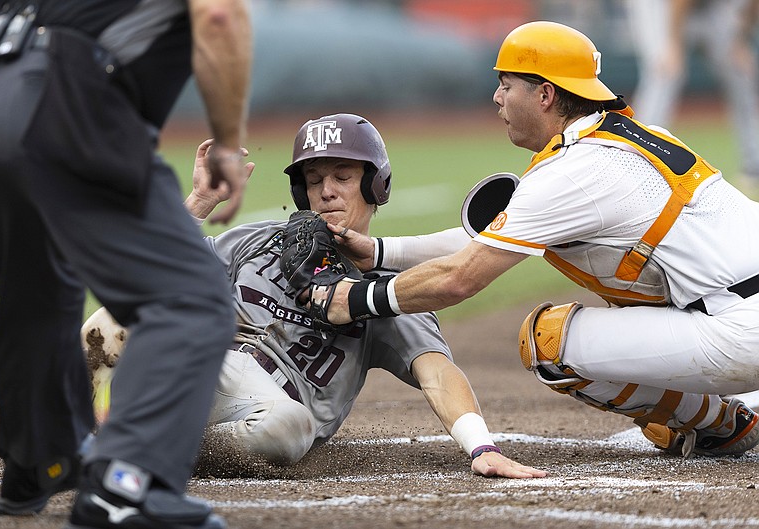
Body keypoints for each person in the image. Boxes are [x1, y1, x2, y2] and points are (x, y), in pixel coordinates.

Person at [306, 22, 759, 460]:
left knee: (547, 341)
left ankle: (720, 424)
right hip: (741, 307)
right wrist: (381, 252)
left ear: (544, 94)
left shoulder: (572, 172)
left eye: (506, 84)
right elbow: (488, 240)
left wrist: (358, 298)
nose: (497, 97)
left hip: (741, 332)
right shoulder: (628, 139)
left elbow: (461, 277)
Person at [86, 113, 547, 479]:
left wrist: (481, 446)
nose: (326, 192)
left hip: (270, 412)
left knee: (290, 428)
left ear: (375, 186)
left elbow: (437, 373)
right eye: (313, 179)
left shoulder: (386, 290)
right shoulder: (258, 239)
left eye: (343, 176)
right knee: (117, 319)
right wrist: (199, 204)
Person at [0, 1, 252, 528]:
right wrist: (227, 143)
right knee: (190, 296)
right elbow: (218, 16)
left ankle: (38, 460)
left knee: (38, 286)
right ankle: (127, 484)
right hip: (68, 101)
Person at [625, 0, 759, 196]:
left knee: (740, 71)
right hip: (661, 5)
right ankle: (637, 162)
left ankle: (754, 165)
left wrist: (740, 40)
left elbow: (750, 6)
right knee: (665, 73)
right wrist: (672, 45)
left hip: (711, 8)